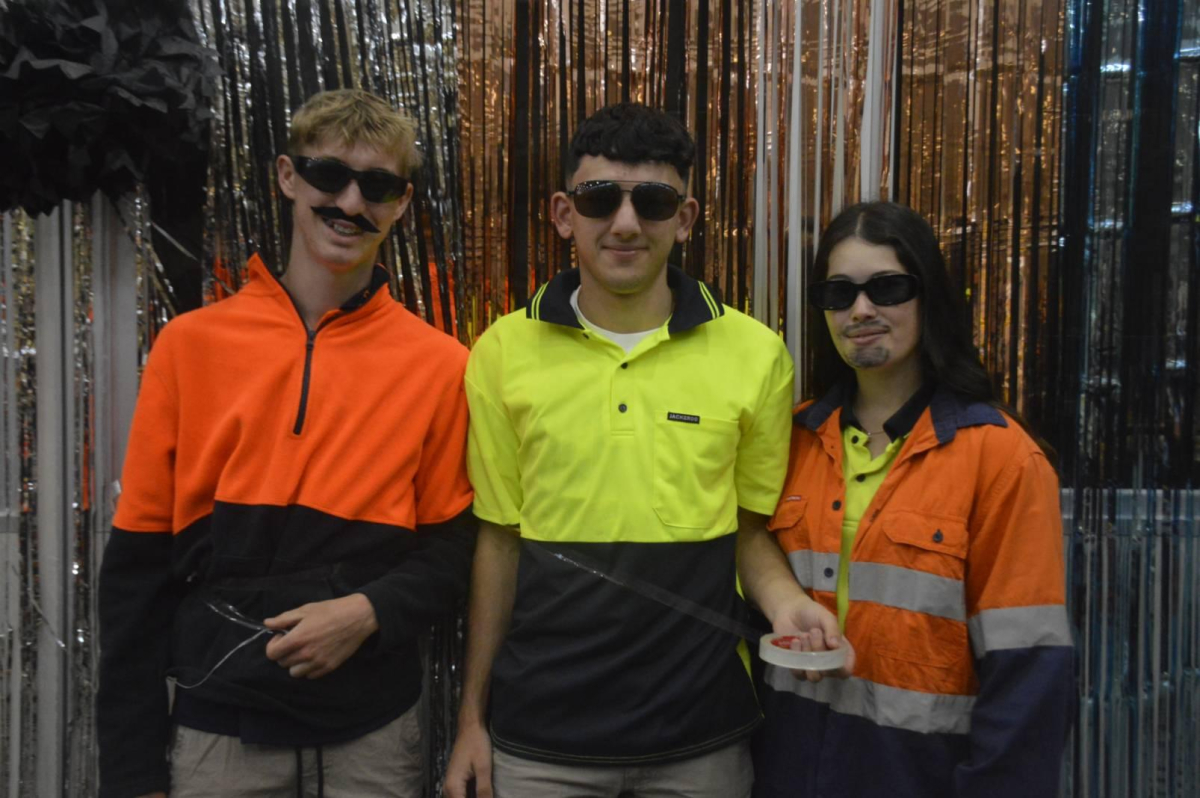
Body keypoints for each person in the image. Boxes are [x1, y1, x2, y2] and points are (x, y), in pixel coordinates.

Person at [443, 102, 846, 798]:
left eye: (652, 201)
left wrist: (786, 603)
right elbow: (499, 543)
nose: (626, 223)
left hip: (701, 741)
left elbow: (747, 530)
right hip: (540, 743)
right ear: (564, 214)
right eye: (601, 199)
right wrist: (471, 719)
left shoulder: (756, 355)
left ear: (684, 219)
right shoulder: (502, 352)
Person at [96, 89, 476, 798]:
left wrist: (368, 612)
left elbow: (453, 551)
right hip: (219, 730)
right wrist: (132, 771)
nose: (350, 203)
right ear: (288, 176)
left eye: (377, 186)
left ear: (401, 203)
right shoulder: (190, 347)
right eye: (329, 175)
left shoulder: (441, 365)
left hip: (372, 735)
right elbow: (136, 571)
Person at [752, 201, 1074, 797]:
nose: (861, 310)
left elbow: (1029, 673)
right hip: (787, 770)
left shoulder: (1001, 458)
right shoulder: (790, 440)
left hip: (920, 777)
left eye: (888, 287)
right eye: (839, 293)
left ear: (929, 298)